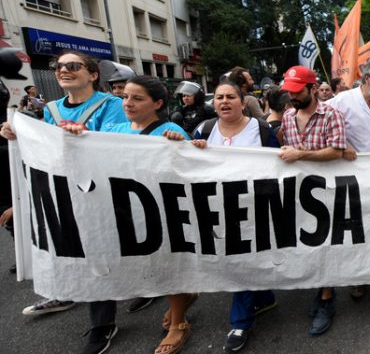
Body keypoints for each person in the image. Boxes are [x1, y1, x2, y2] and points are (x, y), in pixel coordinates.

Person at [1, 51, 128, 354]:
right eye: (58, 66)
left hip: (100, 193)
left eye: (73, 66)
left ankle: (103, 324)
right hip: (63, 192)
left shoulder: (113, 106)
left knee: (97, 256)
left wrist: (84, 136)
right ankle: (67, 290)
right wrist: (17, 137)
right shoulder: (52, 109)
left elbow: (116, 144)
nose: (63, 70)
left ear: (93, 74)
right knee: (65, 247)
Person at [100, 76, 196, 354]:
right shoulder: (111, 128)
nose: (128, 103)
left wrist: (181, 146)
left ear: (157, 103)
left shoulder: (170, 130)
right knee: (147, 267)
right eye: (126, 97)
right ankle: (184, 297)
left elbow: (190, 170)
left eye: (137, 98)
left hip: (162, 213)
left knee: (166, 266)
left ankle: (178, 323)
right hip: (125, 212)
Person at [189, 81, 276, 351]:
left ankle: (241, 322)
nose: (224, 102)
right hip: (217, 209)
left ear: (242, 101)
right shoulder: (203, 130)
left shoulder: (261, 131)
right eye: (219, 98)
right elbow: (184, 163)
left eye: (230, 97)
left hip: (255, 207)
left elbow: (277, 165)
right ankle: (264, 296)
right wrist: (191, 147)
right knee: (235, 260)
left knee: (242, 262)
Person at [277, 66, 347, 337]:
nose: (292, 97)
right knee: (307, 243)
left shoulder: (332, 114)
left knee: (326, 243)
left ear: (313, 89)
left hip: (327, 192)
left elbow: (337, 151)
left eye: (297, 92)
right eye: (289, 92)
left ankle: (327, 298)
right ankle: (320, 291)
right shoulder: (288, 115)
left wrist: (301, 155)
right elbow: (284, 145)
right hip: (298, 192)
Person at [326, 58, 370, 299]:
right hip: (351, 177)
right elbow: (323, 126)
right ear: (367, 79)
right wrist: (341, 144)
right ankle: (356, 280)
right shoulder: (342, 101)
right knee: (355, 230)